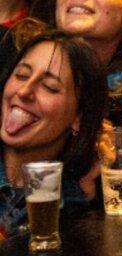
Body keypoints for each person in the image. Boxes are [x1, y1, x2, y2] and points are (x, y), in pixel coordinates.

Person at [1, 30, 107, 239]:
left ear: (78, 117)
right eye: (21, 75)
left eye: (49, 87)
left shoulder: (77, 206)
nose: (24, 91)